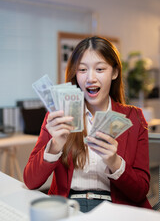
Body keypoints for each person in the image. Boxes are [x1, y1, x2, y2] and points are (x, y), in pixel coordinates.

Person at [23, 36, 152, 212]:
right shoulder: (58, 116)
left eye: (100, 69)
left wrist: (114, 162)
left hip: (116, 209)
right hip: (69, 207)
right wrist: (55, 145)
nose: (90, 78)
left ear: (114, 73)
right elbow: (31, 182)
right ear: (76, 73)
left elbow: (140, 191)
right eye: (82, 69)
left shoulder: (134, 118)